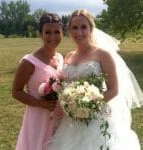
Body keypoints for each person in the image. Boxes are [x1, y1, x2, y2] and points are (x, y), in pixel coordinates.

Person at [47, 9, 143, 150]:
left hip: (98, 118)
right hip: (71, 121)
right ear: (69, 30)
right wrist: (71, 105)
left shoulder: (103, 55)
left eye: (83, 27)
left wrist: (89, 107)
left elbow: (114, 89)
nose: (79, 32)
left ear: (91, 28)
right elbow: (66, 86)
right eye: (75, 28)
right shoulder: (68, 57)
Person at [12, 13, 64, 150]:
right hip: (37, 119)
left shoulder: (60, 58)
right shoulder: (29, 62)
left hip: (58, 118)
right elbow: (16, 92)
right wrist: (40, 103)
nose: (52, 37)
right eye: (47, 32)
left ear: (62, 33)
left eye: (56, 32)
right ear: (40, 34)